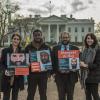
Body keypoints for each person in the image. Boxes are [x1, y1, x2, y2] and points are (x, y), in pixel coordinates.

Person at [25, 29, 52, 100]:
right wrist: (27, 64)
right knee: (30, 93)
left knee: (43, 94)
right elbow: (25, 59)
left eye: (39, 35)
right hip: (31, 74)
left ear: (41, 35)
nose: (37, 37)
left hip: (43, 74)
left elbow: (51, 60)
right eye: (36, 35)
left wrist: (49, 73)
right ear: (33, 36)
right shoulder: (28, 47)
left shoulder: (47, 47)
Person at [52, 32, 79, 100]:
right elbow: (53, 61)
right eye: (63, 37)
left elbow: (78, 61)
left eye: (66, 37)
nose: (65, 39)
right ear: (60, 38)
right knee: (61, 96)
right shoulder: (55, 48)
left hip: (71, 75)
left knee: (70, 96)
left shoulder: (75, 48)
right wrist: (53, 73)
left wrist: (76, 68)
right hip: (60, 76)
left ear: (69, 38)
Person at [0, 33, 24, 100]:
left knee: (15, 97)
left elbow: (24, 64)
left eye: (17, 39)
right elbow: (1, 64)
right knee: (6, 97)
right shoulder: (5, 51)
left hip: (17, 77)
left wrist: (26, 66)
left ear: (19, 41)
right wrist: (5, 70)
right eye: (14, 39)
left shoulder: (22, 51)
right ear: (12, 39)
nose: (16, 40)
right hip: (7, 77)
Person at [80, 33, 100, 100]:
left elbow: (97, 64)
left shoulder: (97, 50)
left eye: (91, 38)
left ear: (94, 40)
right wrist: (81, 63)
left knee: (95, 95)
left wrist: (86, 65)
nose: (89, 40)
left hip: (94, 76)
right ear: (86, 40)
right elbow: (82, 60)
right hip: (85, 76)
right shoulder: (85, 50)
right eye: (88, 38)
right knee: (87, 96)